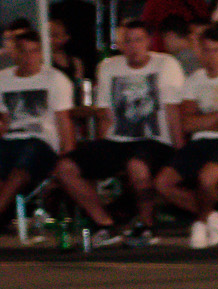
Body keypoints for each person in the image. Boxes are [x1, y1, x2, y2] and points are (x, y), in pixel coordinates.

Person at [53, 19, 184, 244]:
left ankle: (147, 225)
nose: (133, 46)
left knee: (137, 165)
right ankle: (105, 223)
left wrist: (180, 150)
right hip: (117, 140)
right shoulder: (108, 67)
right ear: (120, 44)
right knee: (64, 167)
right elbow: (105, 116)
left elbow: (173, 111)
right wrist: (100, 154)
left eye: (138, 40)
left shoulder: (166, 64)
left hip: (154, 140)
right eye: (127, 41)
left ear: (148, 41)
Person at [155, 25, 218, 249]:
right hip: (201, 141)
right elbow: (187, 123)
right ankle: (213, 215)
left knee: (206, 178)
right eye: (206, 50)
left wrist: (205, 119)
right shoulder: (194, 80)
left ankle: (200, 222)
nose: (211, 56)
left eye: (216, 50)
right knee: (163, 183)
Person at [0, 31, 76, 217]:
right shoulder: (3, 79)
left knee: (25, 162)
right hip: (11, 139)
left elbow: (64, 121)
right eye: (23, 51)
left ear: (41, 53)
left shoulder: (55, 79)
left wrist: (67, 155)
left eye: (34, 51)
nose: (29, 57)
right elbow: (4, 120)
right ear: (14, 53)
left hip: (42, 144)